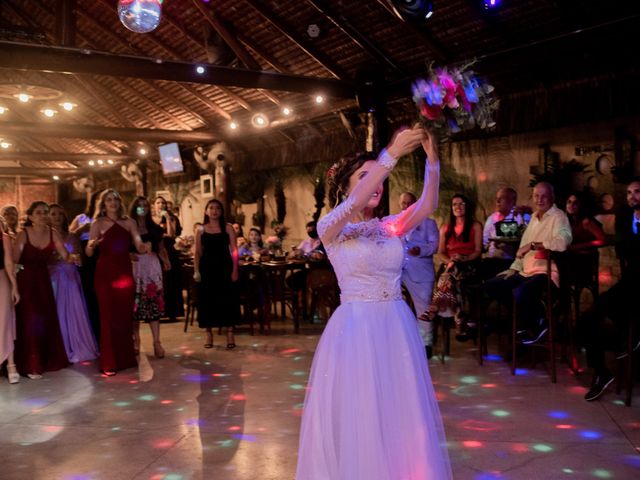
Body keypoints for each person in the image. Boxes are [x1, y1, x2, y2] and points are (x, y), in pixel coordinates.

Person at [296, 126, 451, 479]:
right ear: (347, 185)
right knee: (361, 411)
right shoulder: (330, 228)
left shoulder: (389, 227)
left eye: (379, 179)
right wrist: (389, 155)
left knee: (399, 408)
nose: (377, 185)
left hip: (396, 325)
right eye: (366, 178)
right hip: (356, 330)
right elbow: (352, 204)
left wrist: (433, 160)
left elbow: (428, 204)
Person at [484, 182, 572, 345]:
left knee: (521, 292)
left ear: (552, 197)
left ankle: (531, 323)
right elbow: (521, 251)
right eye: (537, 196)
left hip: (546, 273)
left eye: (544, 196)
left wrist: (535, 245)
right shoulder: (532, 218)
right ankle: (533, 320)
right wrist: (513, 269)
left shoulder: (559, 216)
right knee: (493, 285)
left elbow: (563, 242)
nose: (540, 199)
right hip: (525, 272)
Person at [582, 178, 640, 401]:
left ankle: (631, 342)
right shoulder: (625, 216)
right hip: (629, 283)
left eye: (637, 192)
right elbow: (622, 248)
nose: (631, 196)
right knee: (589, 318)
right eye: (629, 193)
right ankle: (601, 372)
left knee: (628, 315)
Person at [87, 189, 148, 376]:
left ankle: (125, 357)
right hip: (104, 274)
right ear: (103, 204)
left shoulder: (129, 222)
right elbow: (89, 253)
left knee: (123, 315)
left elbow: (138, 243)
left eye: (115, 199)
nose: (112, 203)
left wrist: (143, 247)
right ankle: (109, 361)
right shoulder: (97, 224)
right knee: (107, 316)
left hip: (124, 273)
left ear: (120, 202)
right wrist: (91, 245)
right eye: (108, 200)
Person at [13, 202, 70, 379]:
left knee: (45, 320)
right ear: (30, 217)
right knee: (30, 320)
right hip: (26, 281)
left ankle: (46, 360)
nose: (43, 215)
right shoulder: (23, 234)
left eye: (45, 212)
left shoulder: (53, 233)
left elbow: (65, 254)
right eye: (38, 213)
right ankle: (31, 365)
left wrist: (73, 256)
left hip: (44, 282)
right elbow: (14, 261)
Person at [48, 204, 98, 364]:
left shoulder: (72, 236)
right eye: (53, 214)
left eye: (60, 214)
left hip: (71, 276)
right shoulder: (45, 236)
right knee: (56, 311)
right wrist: (58, 257)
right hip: (54, 277)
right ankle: (59, 348)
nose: (57, 217)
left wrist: (74, 257)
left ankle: (77, 345)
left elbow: (79, 257)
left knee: (74, 311)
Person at [431, 194, 483, 341]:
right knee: (455, 279)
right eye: (454, 204)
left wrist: (464, 258)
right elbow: (440, 252)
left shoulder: (475, 226)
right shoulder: (445, 228)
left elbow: (478, 251)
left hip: (469, 264)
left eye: (461, 204)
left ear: (467, 207)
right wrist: (450, 261)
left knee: (453, 278)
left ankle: (440, 308)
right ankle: (463, 320)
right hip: (450, 264)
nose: (457, 207)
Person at [193, 199, 240, 350]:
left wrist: (234, 269)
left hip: (225, 267)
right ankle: (208, 333)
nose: (214, 211)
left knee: (228, 299)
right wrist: (196, 270)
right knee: (207, 300)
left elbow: (234, 249)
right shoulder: (200, 229)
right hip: (207, 268)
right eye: (211, 208)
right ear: (206, 211)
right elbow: (198, 252)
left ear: (221, 211)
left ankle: (230, 332)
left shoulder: (228, 228)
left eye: (217, 208)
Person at [129, 197, 171, 359]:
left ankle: (156, 342)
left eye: (145, 205)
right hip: (135, 268)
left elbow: (161, 248)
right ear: (134, 208)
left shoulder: (154, 227)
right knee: (135, 307)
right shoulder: (128, 228)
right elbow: (123, 249)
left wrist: (166, 260)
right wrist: (130, 254)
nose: (143, 208)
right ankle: (136, 339)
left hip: (152, 268)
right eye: (139, 206)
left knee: (153, 306)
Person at [399, 191, 439, 358]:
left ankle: (425, 344)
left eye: (410, 202)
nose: (407, 206)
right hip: (399, 270)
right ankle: (400, 341)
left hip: (420, 270)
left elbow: (435, 246)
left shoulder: (428, 223)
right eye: (404, 203)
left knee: (423, 307)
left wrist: (420, 250)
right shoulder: (395, 223)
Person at [69, 190, 102, 341]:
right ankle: (92, 332)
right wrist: (81, 230)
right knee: (90, 294)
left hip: (103, 255)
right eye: (98, 199)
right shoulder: (81, 218)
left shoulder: (108, 219)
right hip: (87, 259)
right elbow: (69, 236)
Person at [482, 187, 529, 279]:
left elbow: (525, 238)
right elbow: (484, 242)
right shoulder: (491, 219)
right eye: (497, 198)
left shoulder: (520, 218)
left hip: (511, 260)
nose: (498, 201)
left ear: (512, 201)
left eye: (502, 198)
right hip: (492, 259)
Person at [564, 192, 605, 287]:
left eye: (575, 203)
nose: (571, 205)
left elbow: (602, 240)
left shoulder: (586, 221)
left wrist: (578, 247)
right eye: (569, 202)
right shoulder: (569, 222)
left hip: (584, 263)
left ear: (580, 205)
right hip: (573, 259)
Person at [153, 196, 184, 321]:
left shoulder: (171, 218)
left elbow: (171, 234)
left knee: (170, 282)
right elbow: (153, 235)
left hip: (169, 251)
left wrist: (167, 218)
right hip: (156, 252)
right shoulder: (151, 219)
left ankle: (172, 312)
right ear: (154, 205)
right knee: (157, 281)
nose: (161, 205)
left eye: (163, 203)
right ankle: (157, 312)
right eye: (158, 202)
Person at [0, 220, 20, 384]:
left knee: (5, 321)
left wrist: (14, 286)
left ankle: (11, 365)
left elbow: (8, 262)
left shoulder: (4, 237)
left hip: (1, 280)